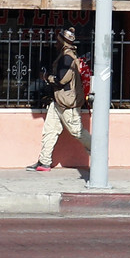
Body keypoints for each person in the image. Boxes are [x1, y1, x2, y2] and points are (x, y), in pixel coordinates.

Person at [28, 28, 85, 172]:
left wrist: (47, 78)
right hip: (59, 101)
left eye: (57, 41)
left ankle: (97, 153)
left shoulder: (67, 58)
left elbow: (62, 80)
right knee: (50, 130)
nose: (55, 43)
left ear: (63, 42)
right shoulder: (64, 56)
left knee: (77, 132)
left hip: (67, 103)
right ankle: (44, 161)